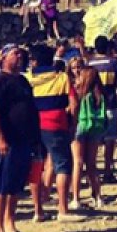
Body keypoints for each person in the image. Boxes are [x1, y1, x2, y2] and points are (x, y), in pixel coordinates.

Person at [0, 45, 40, 232]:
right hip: (7, 141)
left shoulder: (23, 81)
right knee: (0, 186)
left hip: (23, 140)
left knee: (14, 186)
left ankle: (11, 226)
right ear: (3, 58)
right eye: (14, 53)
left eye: (20, 54)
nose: (19, 56)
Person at [27, 44, 82, 222]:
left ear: (35, 61)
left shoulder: (27, 78)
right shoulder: (62, 78)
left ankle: (38, 211)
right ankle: (63, 210)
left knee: (36, 166)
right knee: (62, 166)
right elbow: (74, 104)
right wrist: (73, 124)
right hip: (56, 125)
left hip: (33, 125)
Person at [86, 35, 117, 182]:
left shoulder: (89, 63)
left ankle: (92, 172)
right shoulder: (113, 63)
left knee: (93, 142)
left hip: (93, 107)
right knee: (110, 140)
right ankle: (108, 171)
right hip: (110, 104)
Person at [71, 66, 105, 209]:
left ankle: (76, 198)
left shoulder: (79, 93)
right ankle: (98, 196)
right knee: (92, 163)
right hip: (95, 128)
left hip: (80, 126)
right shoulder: (99, 94)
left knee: (77, 162)